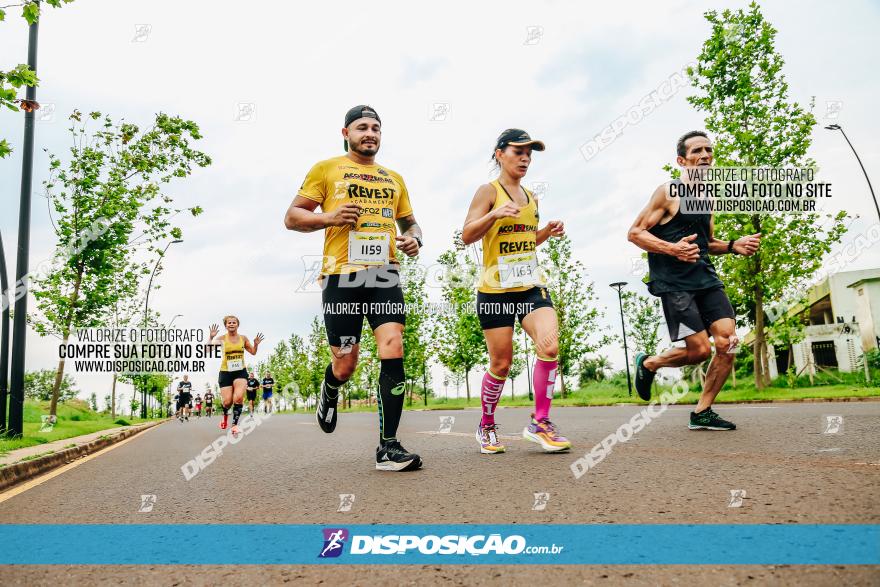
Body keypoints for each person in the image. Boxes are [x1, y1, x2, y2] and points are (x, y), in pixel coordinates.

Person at [284, 105, 424, 471]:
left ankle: (388, 447)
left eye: (376, 128)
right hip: (341, 276)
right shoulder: (326, 168)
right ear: (346, 133)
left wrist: (413, 240)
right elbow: (292, 217)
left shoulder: (394, 178)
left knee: (393, 346)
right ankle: (330, 388)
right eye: (362, 127)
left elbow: (412, 224)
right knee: (345, 364)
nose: (371, 133)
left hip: (383, 274)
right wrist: (329, 217)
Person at [627, 130, 761, 430]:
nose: (704, 156)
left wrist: (731, 245)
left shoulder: (707, 197)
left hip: (706, 279)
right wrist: (672, 249)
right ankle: (650, 363)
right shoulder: (668, 192)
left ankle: (702, 411)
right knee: (699, 350)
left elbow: (706, 242)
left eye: (708, 150)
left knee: (729, 343)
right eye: (697, 151)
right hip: (675, 285)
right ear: (682, 160)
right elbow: (635, 233)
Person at [462, 128, 571, 454]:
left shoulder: (532, 198)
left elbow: (525, 241)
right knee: (501, 364)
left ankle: (540, 422)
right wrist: (494, 214)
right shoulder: (488, 192)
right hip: (495, 291)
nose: (524, 158)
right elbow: (467, 234)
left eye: (529, 153)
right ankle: (487, 424)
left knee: (549, 345)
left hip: (530, 287)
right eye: (517, 151)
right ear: (499, 154)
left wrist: (545, 233)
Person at [206, 316, 264, 436]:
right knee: (227, 402)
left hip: (240, 372)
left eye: (234, 322)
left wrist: (255, 344)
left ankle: (234, 425)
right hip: (225, 372)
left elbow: (253, 352)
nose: (231, 324)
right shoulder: (221, 338)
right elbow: (207, 350)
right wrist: (211, 337)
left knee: (238, 398)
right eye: (229, 323)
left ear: (237, 325)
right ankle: (225, 415)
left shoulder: (243, 338)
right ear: (226, 326)